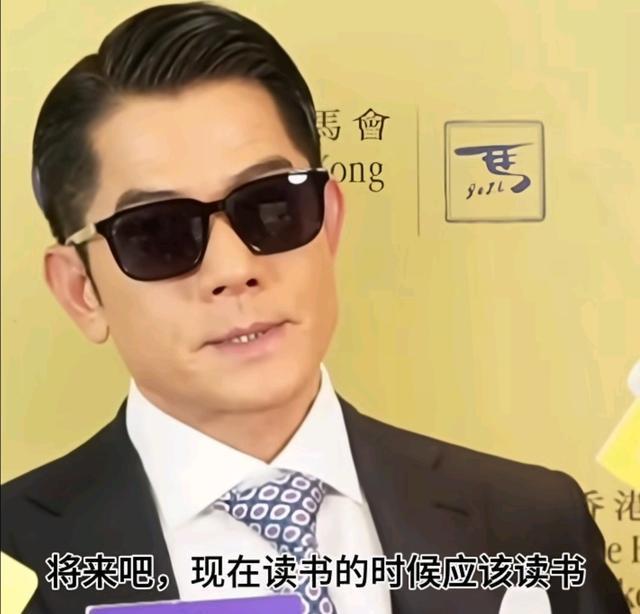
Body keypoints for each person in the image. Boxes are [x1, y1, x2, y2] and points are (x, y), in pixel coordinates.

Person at [0, 3, 629, 613]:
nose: (234, 269)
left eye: (270, 206)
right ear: (81, 290)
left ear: (328, 222)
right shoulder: (14, 557)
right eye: (158, 232)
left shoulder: (531, 522)